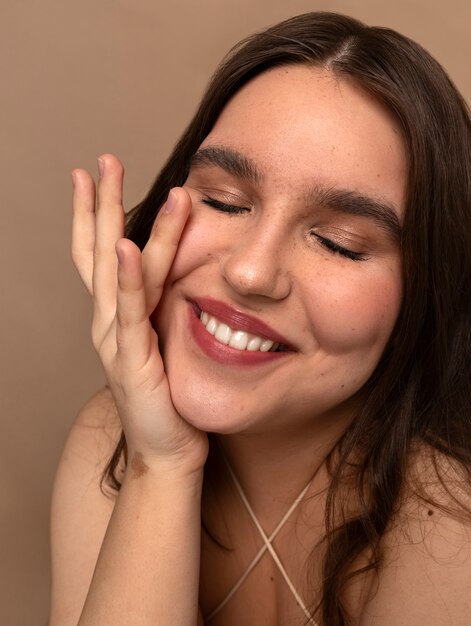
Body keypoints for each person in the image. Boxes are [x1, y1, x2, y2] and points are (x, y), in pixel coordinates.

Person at [49, 11, 471, 626]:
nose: (250, 273)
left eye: (339, 243)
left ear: (427, 292)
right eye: (223, 201)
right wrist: (159, 468)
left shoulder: (449, 512)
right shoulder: (110, 436)